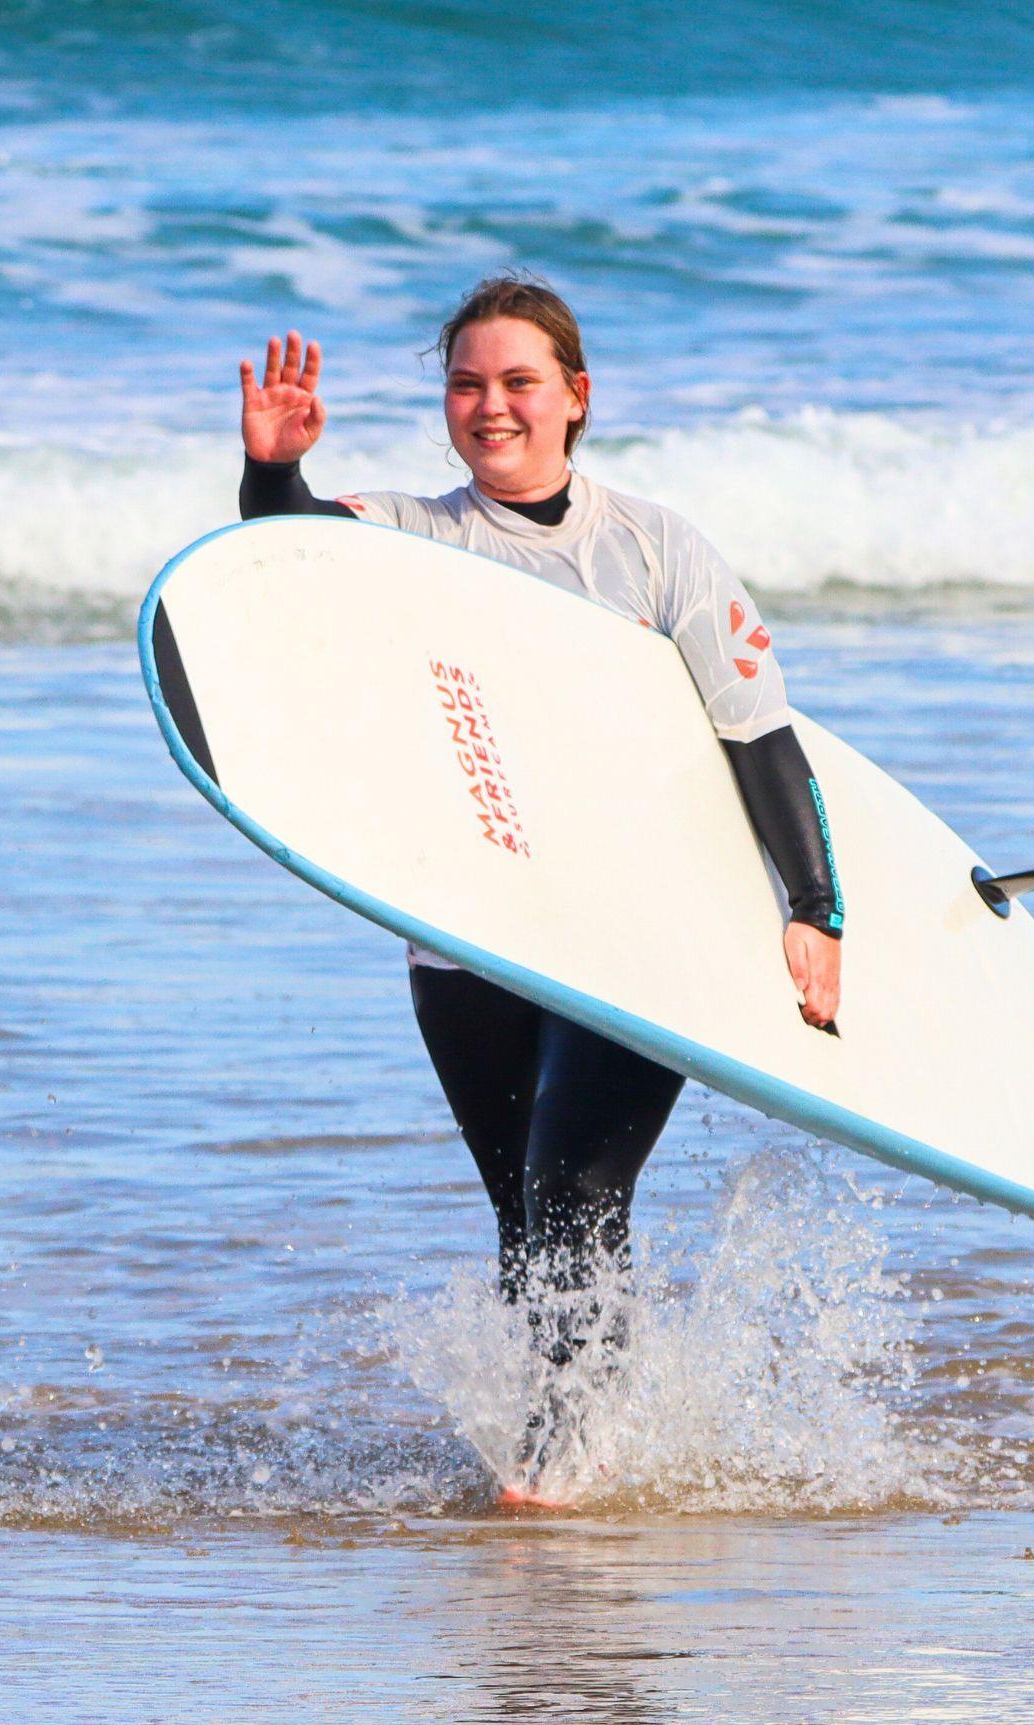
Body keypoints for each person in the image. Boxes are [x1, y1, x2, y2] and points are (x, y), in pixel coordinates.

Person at [234, 279, 844, 1491]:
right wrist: (270, 470)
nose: (491, 406)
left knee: (577, 1185)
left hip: (637, 926)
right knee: (529, 1217)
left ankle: (555, 1468)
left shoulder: (655, 548)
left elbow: (758, 733)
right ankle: (593, 1444)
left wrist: (815, 909)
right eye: (467, 384)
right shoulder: (412, 533)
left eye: (519, 382)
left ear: (577, 395)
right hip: (470, 936)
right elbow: (283, 558)